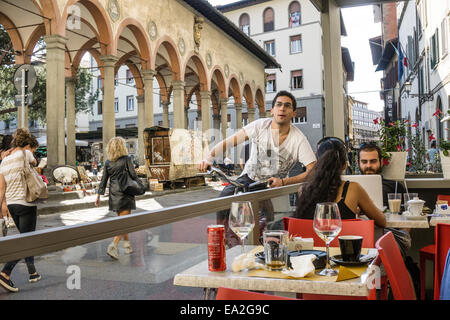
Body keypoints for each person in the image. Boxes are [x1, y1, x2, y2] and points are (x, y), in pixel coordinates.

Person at [199, 90, 317, 245]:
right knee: (224, 200)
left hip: (274, 185)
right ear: (272, 110)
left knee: (271, 229)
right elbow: (229, 141)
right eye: (279, 105)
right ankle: (222, 241)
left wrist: (283, 182)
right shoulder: (260, 125)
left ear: (294, 113)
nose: (282, 109)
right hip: (249, 178)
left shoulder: (298, 139)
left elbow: (313, 170)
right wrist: (209, 157)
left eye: (287, 106)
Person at [294, 137, 387, 228]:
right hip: (341, 243)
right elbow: (382, 221)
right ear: (345, 165)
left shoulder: (303, 190)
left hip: (309, 243)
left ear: (317, 163)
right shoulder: (353, 189)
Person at [0, 128, 41, 293]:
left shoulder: (4, 161)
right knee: (26, 241)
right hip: (26, 202)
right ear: (26, 143)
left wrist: (2, 206)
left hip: (12, 205)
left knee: (25, 237)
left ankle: (32, 272)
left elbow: (2, 186)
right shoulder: (26, 154)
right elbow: (36, 164)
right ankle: (5, 273)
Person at [95, 137, 137, 260]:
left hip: (114, 195)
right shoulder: (127, 159)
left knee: (122, 221)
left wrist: (98, 195)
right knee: (125, 223)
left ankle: (128, 245)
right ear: (122, 147)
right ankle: (113, 246)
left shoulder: (108, 162)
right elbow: (133, 175)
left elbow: (103, 180)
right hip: (125, 194)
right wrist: (140, 185)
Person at [357, 142, 406, 208]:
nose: (368, 166)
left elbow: (404, 212)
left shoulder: (395, 187)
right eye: (364, 162)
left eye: (373, 161)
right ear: (358, 163)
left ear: (381, 162)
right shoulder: (351, 187)